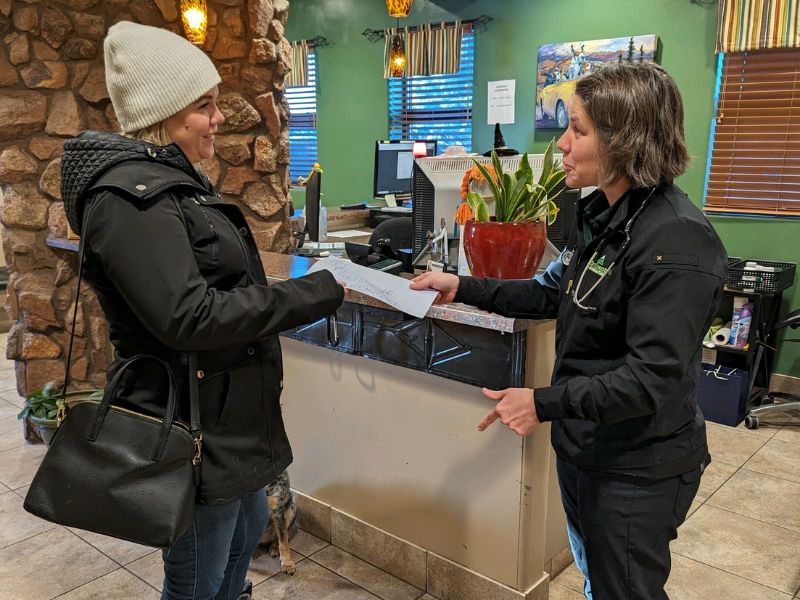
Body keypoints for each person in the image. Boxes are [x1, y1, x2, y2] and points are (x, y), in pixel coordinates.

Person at [411, 62, 727, 599]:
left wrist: (542, 402)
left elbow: (648, 380)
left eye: (578, 130)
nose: (562, 142)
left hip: (637, 468)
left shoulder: (677, 242)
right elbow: (548, 293)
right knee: (595, 579)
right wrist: (460, 286)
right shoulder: (608, 217)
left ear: (624, 140)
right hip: (587, 450)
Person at [60, 21, 345, 600]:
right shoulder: (128, 199)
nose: (220, 118)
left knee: (236, 559)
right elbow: (188, 316)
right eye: (205, 105)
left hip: (230, 427)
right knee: (198, 581)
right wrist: (309, 293)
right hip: (194, 435)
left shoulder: (172, 184)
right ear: (164, 112)